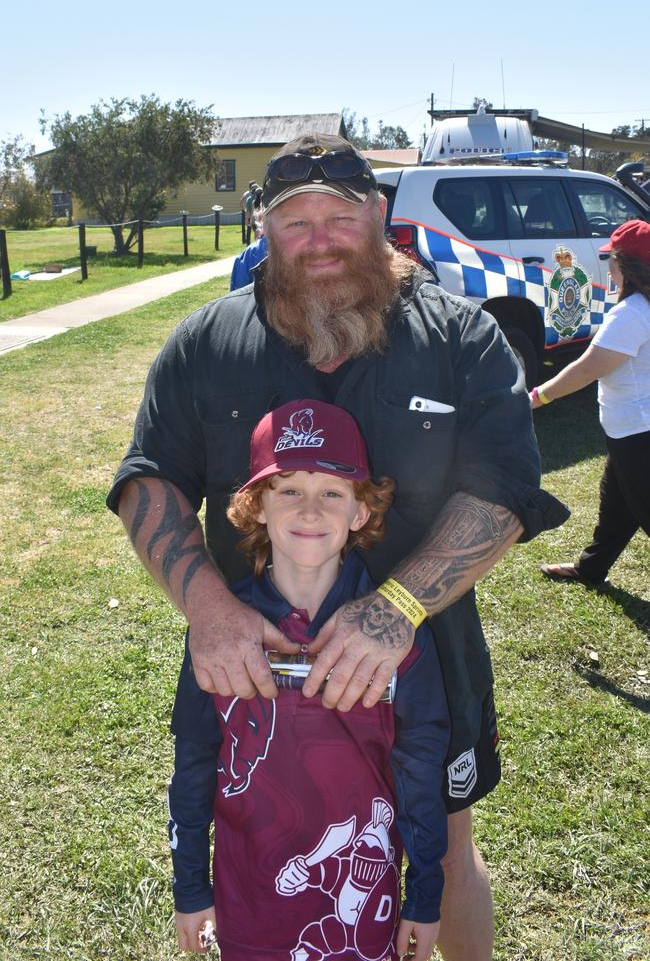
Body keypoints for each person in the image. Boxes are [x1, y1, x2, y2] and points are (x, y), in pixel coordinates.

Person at [108, 132, 568, 960]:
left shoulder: (461, 337)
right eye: (294, 222)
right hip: (251, 662)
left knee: (446, 847)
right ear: (263, 231)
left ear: (380, 216)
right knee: (271, 847)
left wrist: (394, 612)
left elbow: (503, 491)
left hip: (425, 658)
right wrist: (209, 608)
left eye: (339, 216)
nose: (318, 238)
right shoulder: (206, 343)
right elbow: (150, 479)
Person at [169, 399, 450, 960]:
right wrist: (191, 887)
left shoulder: (395, 636)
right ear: (256, 507)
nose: (311, 510)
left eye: (332, 492)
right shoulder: (222, 633)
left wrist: (423, 895)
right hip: (247, 888)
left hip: (360, 893)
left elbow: (420, 764)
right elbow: (194, 761)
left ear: (360, 513)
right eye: (288, 489)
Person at [532, 219, 650, 586]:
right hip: (631, 428)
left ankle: (591, 568)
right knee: (616, 504)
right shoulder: (640, 307)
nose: (608, 267)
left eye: (611, 260)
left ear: (626, 266)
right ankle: (591, 568)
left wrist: (537, 397)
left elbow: (587, 370)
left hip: (638, 431)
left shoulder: (631, 313)